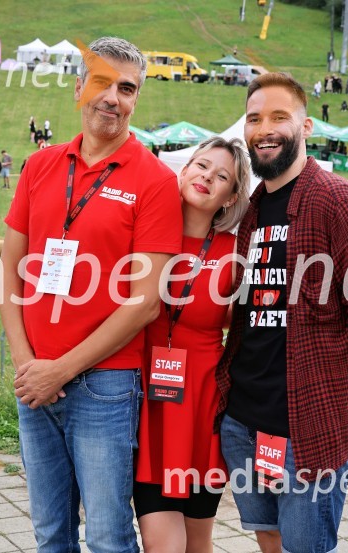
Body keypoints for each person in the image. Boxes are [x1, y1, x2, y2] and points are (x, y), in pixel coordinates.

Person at [0, 36, 183, 552]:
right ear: (79, 87)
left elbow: (146, 302)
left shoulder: (153, 180)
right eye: (101, 83)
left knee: (107, 537)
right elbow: (10, 271)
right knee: (50, 534)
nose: (112, 98)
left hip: (106, 385)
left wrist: (60, 370)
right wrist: (27, 364)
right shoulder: (40, 165)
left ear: (136, 99)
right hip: (35, 379)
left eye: (126, 89)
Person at [216, 72, 348, 553]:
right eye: (254, 119)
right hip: (243, 422)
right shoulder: (253, 209)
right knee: (267, 535)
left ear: (306, 126)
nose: (264, 129)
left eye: (279, 117)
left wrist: (345, 393)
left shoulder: (340, 202)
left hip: (308, 428)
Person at [134, 137, 249, 553]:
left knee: (197, 541)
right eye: (201, 166)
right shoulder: (143, 235)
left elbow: (244, 329)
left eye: (222, 176)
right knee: (160, 542)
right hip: (144, 401)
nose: (207, 177)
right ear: (183, 172)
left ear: (230, 197)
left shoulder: (235, 253)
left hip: (200, 406)